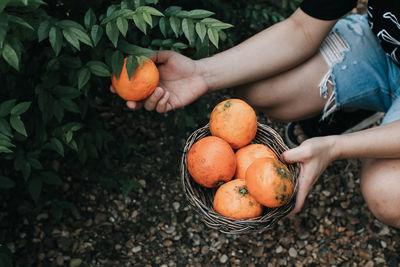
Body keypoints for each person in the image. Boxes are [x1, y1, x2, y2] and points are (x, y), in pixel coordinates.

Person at [110, 0, 400, 228]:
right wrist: (202, 74)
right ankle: (355, 106)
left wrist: (334, 148)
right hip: (383, 49)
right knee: (259, 90)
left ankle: (366, 120)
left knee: (387, 194)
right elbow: (302, 29)